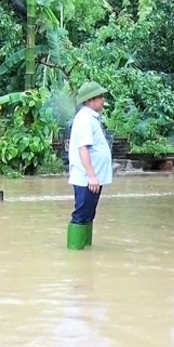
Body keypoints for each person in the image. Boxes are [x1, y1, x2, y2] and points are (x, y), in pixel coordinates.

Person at [66, 81, 113, 250]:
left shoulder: (90, 118)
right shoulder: (85, 119)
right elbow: (83, 149)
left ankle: (84, 250)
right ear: (90, 100)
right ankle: (75, 251)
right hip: (87, 178)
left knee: (88, 214)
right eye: (100, 97)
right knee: (81, 214)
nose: (103, 100)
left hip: (92, 177)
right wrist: (92, 175)